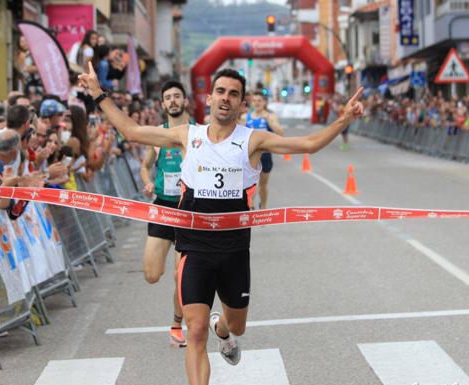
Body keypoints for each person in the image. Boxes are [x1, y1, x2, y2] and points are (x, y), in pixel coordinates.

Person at [79, 63, 364, 385]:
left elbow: (309, 144)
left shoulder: (253, 140)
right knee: (195, 330)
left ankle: (224, 329)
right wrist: (98, 95)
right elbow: (131, 132)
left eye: (234, 94)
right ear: (209, 99)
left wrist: (345, 118)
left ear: (242, 104)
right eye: (220, 92)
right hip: (194, 247)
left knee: (237, 326)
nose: (226, 98)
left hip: (234, 249)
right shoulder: (188, 136)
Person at [139, 80, 190, 348]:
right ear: (162, 104)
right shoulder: (157, 135)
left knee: (180, 275)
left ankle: (176, 325)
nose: (172, 101)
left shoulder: (197, 133)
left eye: (177, 96)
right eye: (168, 97)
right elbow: (145, 166)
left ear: (185, 101)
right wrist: (147, 181)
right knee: (151, 274)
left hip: (188, 211)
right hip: (162, 208)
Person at [240, 91, 284, 209]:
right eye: (254, 100)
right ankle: (250, 206)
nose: (257, 103)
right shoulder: (245, 117)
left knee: (263, 185)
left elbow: (280, 133)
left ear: (264, 102)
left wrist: (269, 120)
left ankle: (263, 205)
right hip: (250, 156)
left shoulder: (270, 116)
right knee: (250, 184)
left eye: (259, 101)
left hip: (265, 155)